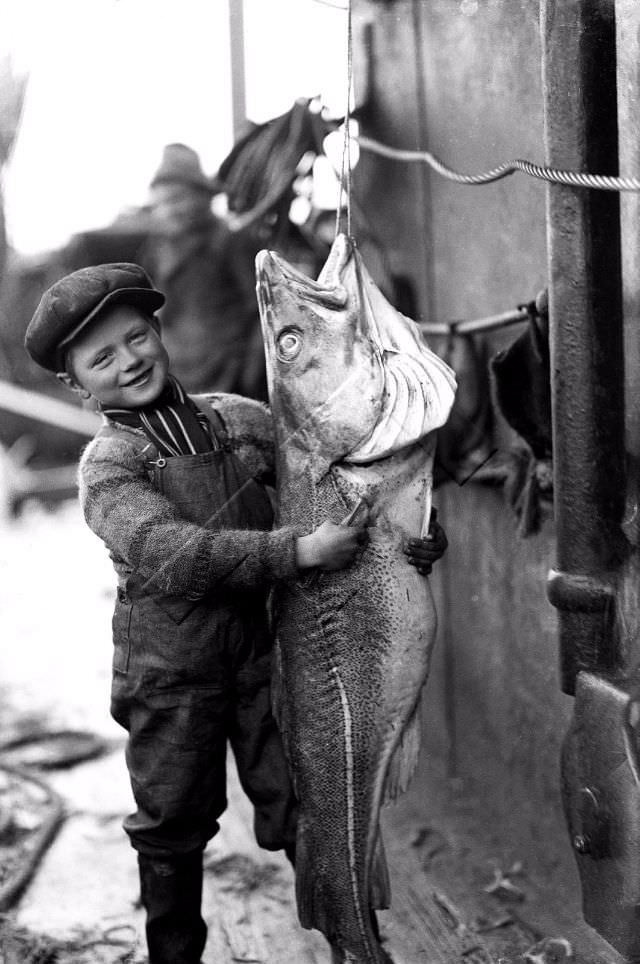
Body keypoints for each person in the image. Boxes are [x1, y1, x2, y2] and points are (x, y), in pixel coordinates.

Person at [24, 262, 449, 964]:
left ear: (158, 331)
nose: (129, 361)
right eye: (102, 357)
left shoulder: (244, 420)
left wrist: (411, 538)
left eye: (136, 338)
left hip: (267, 660)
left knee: (301, 801)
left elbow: (335, 499)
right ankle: (175, 954)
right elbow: (172, 556)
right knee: (173, 824)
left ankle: (348, 932)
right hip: (169, 678)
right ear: (74, 382)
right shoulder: (108, 468)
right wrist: (300, 552)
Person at [144, 143, 267, 400]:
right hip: (178, 372)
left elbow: (261, 311)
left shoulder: (230, 240)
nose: (169, 210)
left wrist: (249, 375)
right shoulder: (159, 247)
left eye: (177, 199)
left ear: (202, 196)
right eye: (161, 203)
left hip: (228, 376)